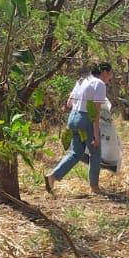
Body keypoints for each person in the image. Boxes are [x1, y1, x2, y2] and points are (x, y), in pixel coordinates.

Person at [45, 62, 113, 194]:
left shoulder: (82, 80)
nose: (110, 78)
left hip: (73, 118)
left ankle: (53, 176)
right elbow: (95, 111)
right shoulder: (99, 84)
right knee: (95, 154)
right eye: (110, 74)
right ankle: (94, 187)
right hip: (86, 119)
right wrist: (95, 134)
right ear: (104, 72)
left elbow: (69, 103)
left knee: (76, 153)